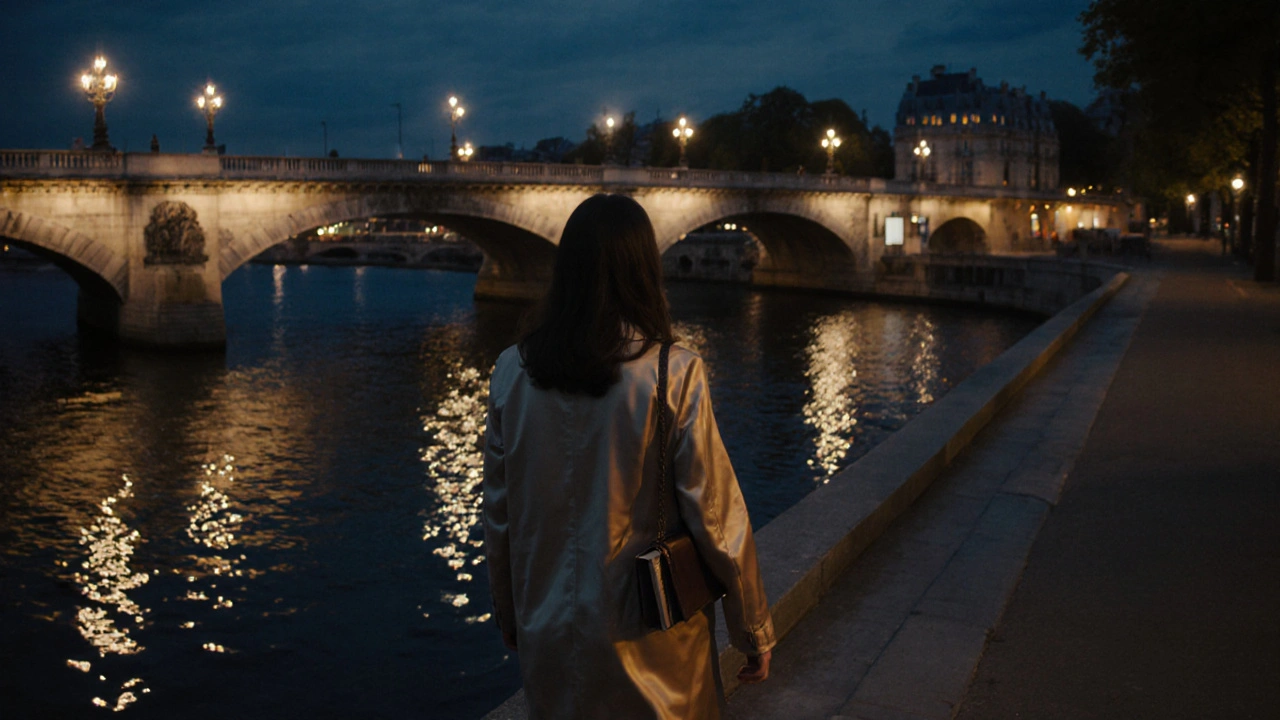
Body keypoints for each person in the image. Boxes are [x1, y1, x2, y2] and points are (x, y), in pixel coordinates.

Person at [482, 194, 775, 719]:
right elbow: (716, 516)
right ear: (644, 269)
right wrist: (753, 627)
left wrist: (510, 612)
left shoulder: (510, 371)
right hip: (652, 636)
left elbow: (501, 516)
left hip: (550, 632)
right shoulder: (673, 372)